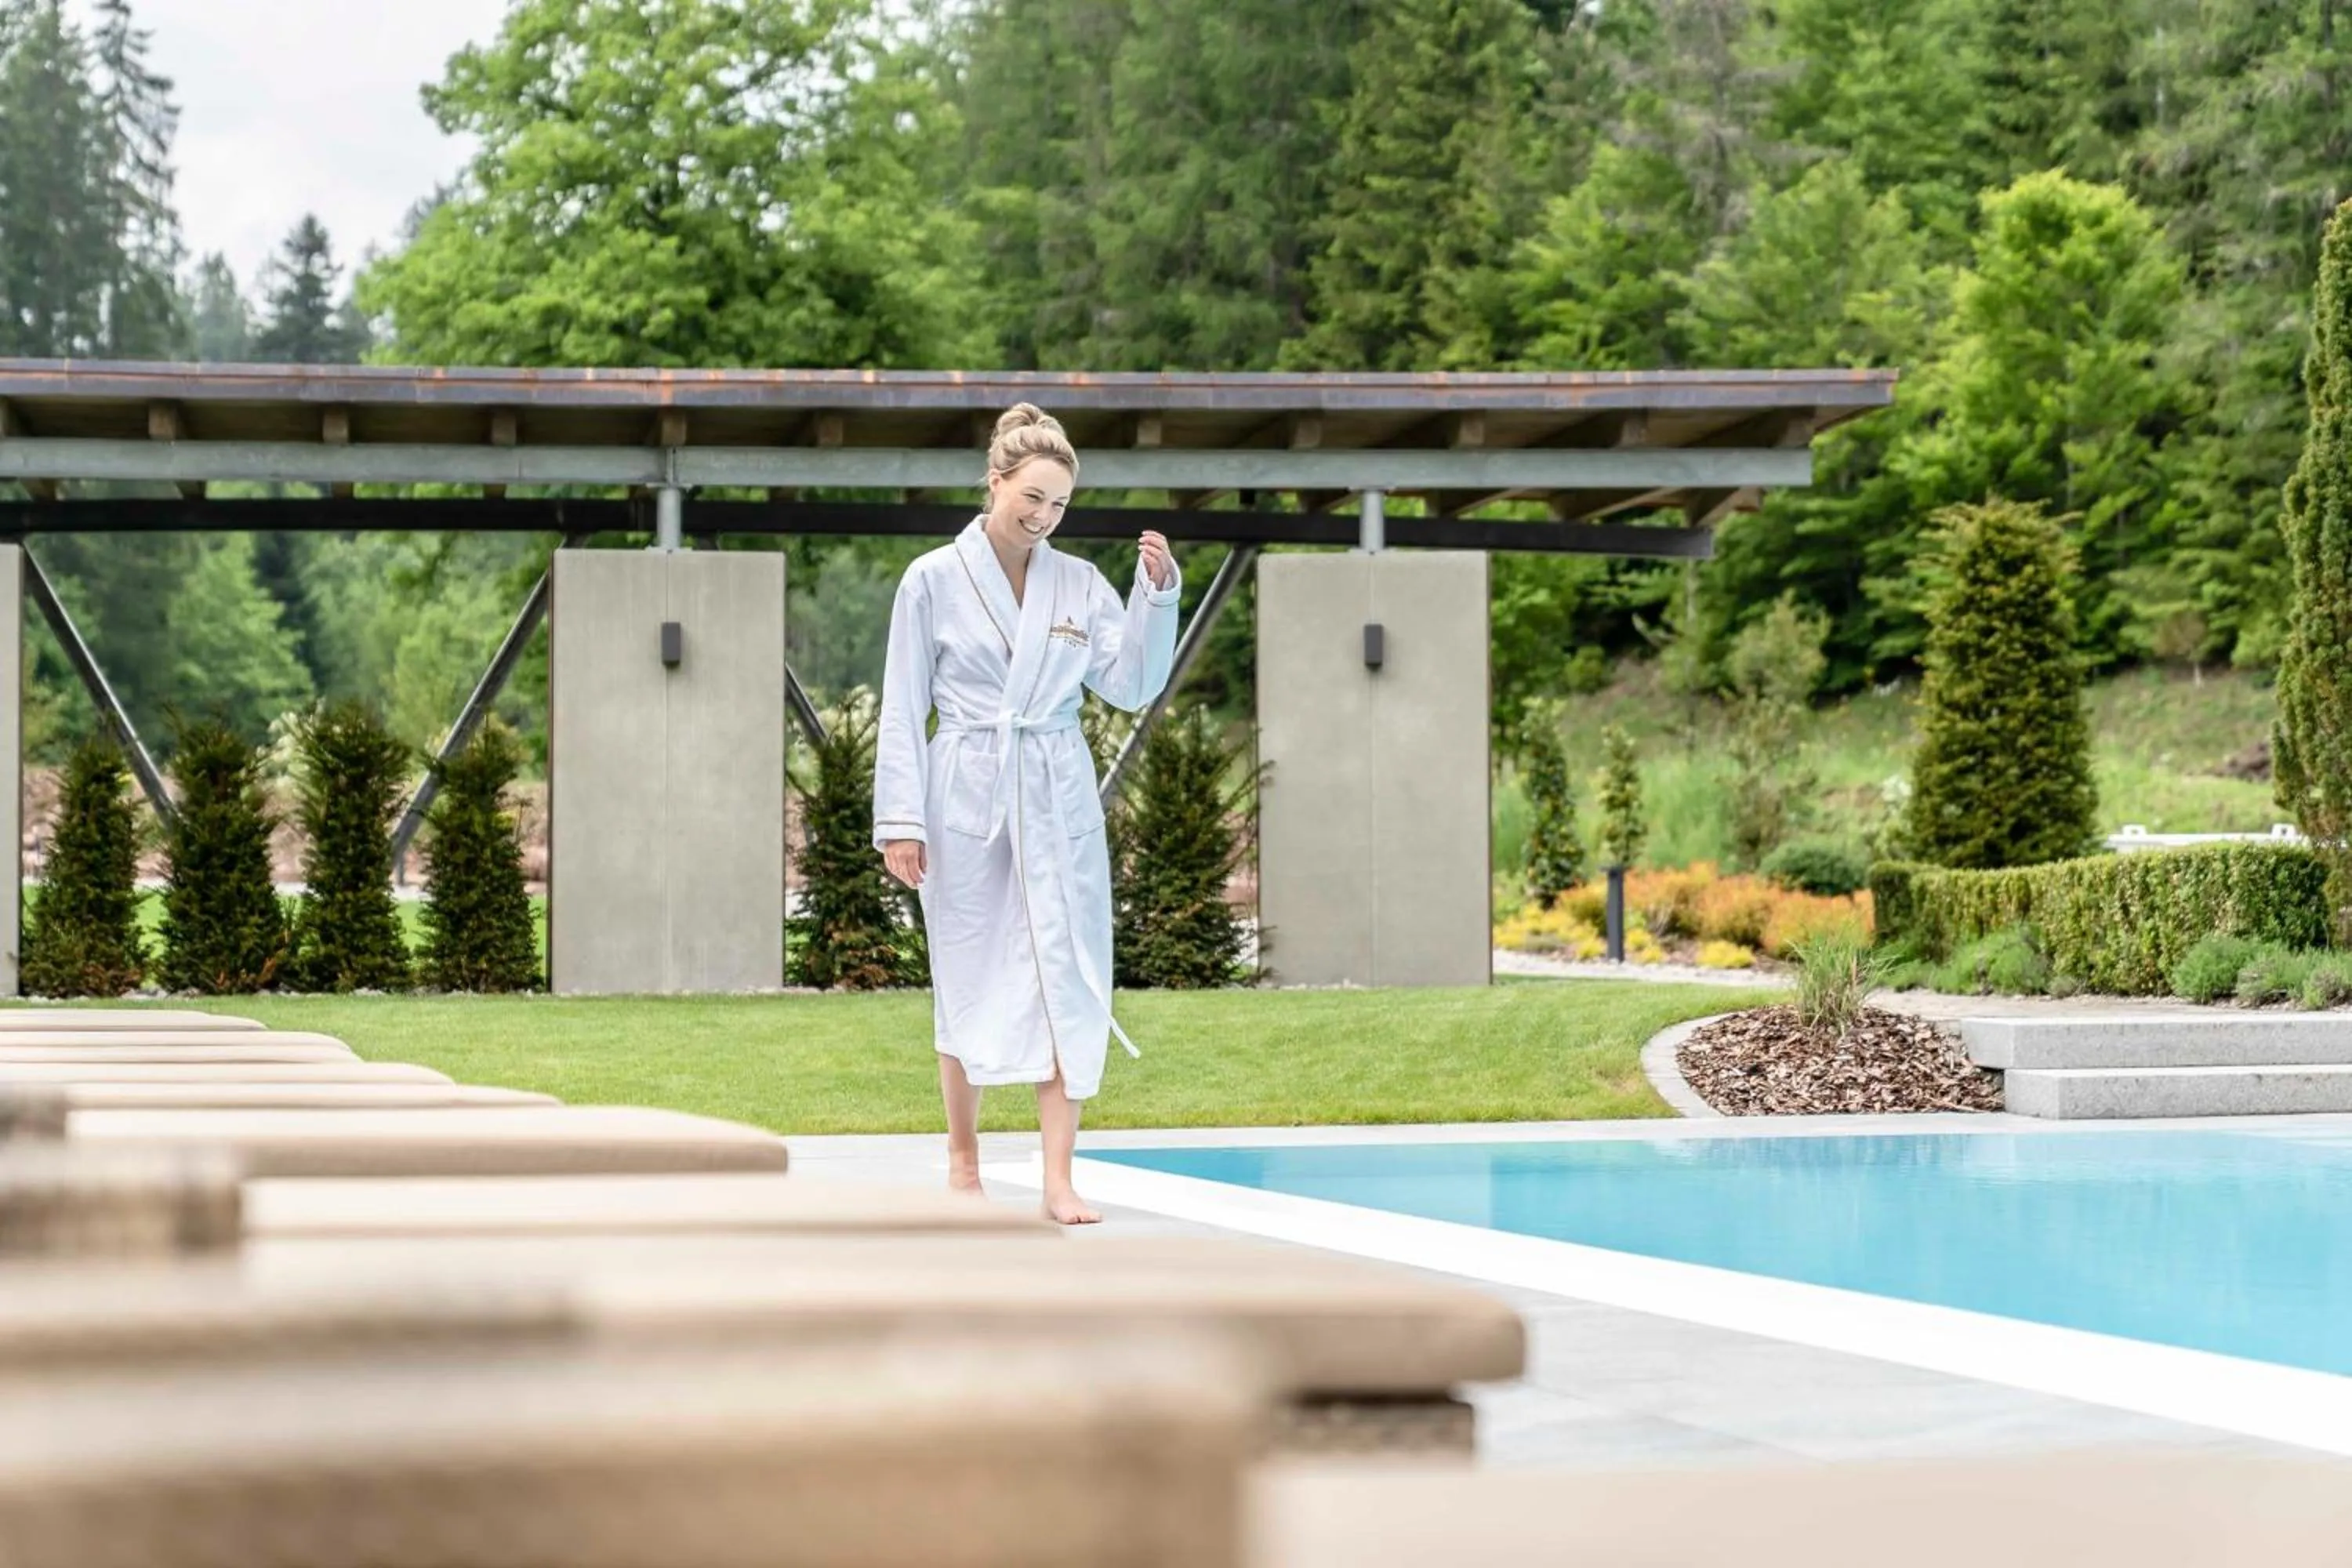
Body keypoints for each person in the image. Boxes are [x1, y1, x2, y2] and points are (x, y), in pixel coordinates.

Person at [873, 403, 1181, 1225]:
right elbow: (902, 704)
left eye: (1060, 504)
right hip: (965, 789)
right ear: (997, 480)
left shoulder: (1077, 583)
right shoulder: (932, 578)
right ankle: (963, 1166)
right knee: (967, 972)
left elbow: (1129, 682)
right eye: (1033, 497)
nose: (1044, 516)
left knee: (1067, 975)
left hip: (1054, 787)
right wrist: (900, 821)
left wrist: (1155, 597)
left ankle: (1058, 1180)